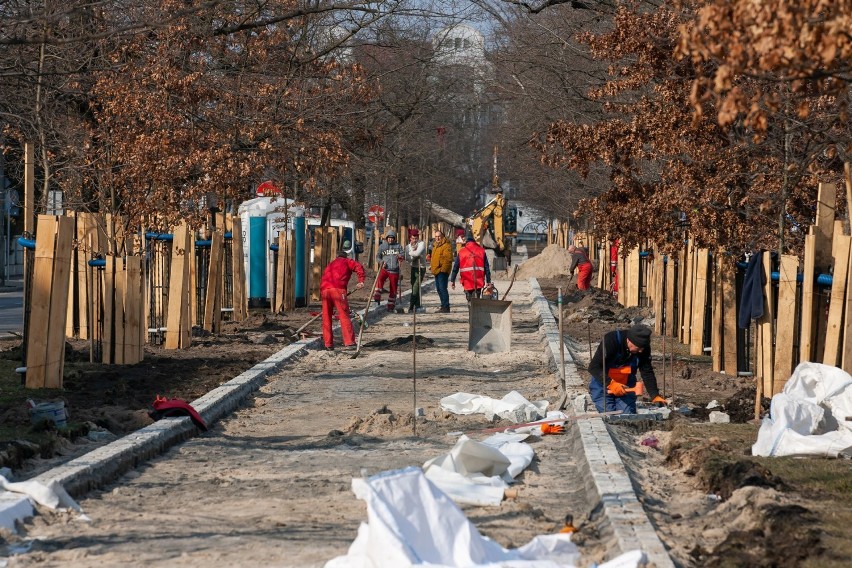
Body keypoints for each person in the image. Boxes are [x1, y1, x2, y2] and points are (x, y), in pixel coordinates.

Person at [587, 324, 666, 414]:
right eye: (638, 348)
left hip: (626, 385)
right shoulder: (611, 340)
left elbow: (647, 371)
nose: (640, 351)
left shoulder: (643, 348)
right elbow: (593, 367)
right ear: (629, 340)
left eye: (642, 348)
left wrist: (654, 395)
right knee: (609, 413)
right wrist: (611, 383)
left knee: (627, 414)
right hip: (603, 384)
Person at [319, 241, 365, 351]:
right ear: (345, 256)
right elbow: (359, 267)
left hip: (325, 291)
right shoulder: (347, 261)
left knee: (326, 317)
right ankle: (349, 342)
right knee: (344, 315)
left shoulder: (330, 264)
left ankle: (328, 344)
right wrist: (361, 281)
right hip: (338, 290)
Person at [450, 235, 491, 302]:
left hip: (466, 280)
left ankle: (470, 305)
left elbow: (455, 267)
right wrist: (488, 281)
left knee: (469, 298)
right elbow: (486, 267)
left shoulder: (461, 252)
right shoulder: (481, 251)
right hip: (478, 279)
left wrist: (452, 280)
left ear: (467, 242)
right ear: (474, 242)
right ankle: (475, 308)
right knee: (476, 299)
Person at [374, 230, 404, 311]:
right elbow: (377, 257)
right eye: (389, 238)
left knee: (393, 288)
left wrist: (400, 256)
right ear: (386, 238)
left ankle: (391, 306)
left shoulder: (398, 246)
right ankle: (377, 298)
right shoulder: (382, 246)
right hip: (385, 268)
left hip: (394, 270)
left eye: (392, 238)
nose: (390, 240)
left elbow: (402, 254)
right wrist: (381, 262)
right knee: (379, 280)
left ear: (394, 239)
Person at [430, 230, 453, 312]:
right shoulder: (435, 246)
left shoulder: (446, 246)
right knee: (439, 289)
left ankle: (446, 306)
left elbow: (448, 259)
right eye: (436, 236)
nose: (437, 238)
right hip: (436, 270)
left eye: (439, 236)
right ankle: (443, 305)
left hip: (442, 271)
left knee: (443, 289)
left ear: (442, 236)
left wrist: (443, 270)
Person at [405, 228, 427, 313]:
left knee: (416, 287)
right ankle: (417, 305)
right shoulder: (408, 246)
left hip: (421, 267)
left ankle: (411, 306)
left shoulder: (421, 244)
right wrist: (413, 254)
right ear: (410, 238)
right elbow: (408, 259)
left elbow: (417, 253)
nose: (414, 240)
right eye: (413, 238)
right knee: (413, 285)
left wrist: (412, 253)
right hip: (413, 267)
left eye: (416, 238)